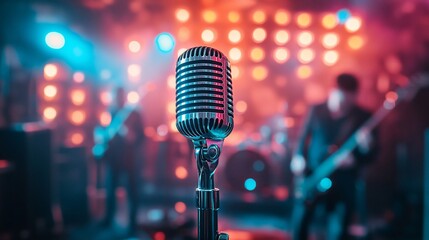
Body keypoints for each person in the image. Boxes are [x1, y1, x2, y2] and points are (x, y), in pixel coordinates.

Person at [290, 73, 377, 240]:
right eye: (340, 100)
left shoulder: (363, 118)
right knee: (300, 222)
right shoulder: (316, 110)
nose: (342, 106)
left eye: (347, 101)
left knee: (338, 230)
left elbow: (372, 154)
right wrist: (298, 157)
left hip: (343, 181)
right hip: (313, 175)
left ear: (354, 97)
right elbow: (303, 138)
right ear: (332, 92)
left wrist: (360, 155)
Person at [100, 87, 145, 234]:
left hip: (129, 160)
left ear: (123, 96)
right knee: (110, 190)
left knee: (132, 192)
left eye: (119, 95)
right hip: (113, 159)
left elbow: (141, 137)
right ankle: (108, 220)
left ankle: (133, 225)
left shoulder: (134, 113)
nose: (117, 98)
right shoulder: (111, 112)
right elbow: (105, 134)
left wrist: (129, 135)